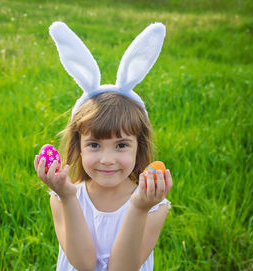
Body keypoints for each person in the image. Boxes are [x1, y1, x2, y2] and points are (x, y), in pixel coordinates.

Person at [34, 21, 173, 271]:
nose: (107, 159)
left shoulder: (153, 205)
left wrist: (139, 207)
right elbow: (84, 265)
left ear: (138, 148)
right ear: (78, 146)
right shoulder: (63, 196)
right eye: (95, 145)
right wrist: (67, 197)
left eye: (121, 145)